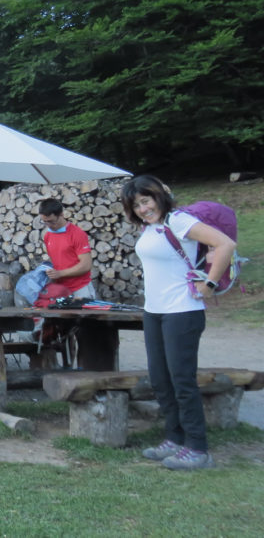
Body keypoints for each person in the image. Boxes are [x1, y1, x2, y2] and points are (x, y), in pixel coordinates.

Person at [121, 175, 235, 470]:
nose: (143, 209)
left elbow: (224, 244)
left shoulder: (178, 220)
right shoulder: (150, 228)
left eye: (146, 201)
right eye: (136, 205)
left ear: (158, 196)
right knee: (161, 380)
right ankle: (174, 438)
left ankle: (198, 449)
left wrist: (208, 284)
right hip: (154, 311)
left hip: (182, 312)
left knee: (182, 380)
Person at [38, 198, 97, 299]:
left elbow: (86, 265)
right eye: (44, 222)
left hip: (80, 289)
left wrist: (60, 273)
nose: (48, 225)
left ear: (61, 215)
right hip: (61, 290)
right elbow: (57, 259)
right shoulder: (48, 235)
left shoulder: (77, 234)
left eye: (51, 221)